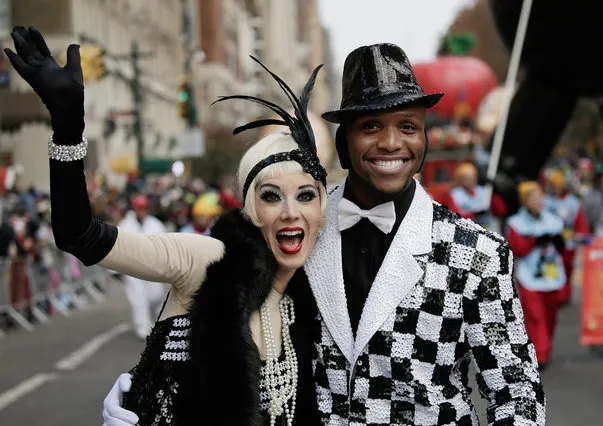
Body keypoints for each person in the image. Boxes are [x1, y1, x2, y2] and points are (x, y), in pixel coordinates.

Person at [105, 42, 545, 425]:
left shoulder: (479, 253)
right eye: (371, 126)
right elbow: (217, 315)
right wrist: (145, 393)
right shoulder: (297, 228)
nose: (392, 142)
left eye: (408, 126)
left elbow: (516, 390)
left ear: (425, 138)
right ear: (344, 142)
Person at [5, 26, 328, 426]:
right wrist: (68, 125)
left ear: (322, 211)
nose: (291, 212)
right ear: (250, 208)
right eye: (271, 196)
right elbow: (81, 236)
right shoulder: (209, 260)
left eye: (306, 196)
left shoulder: (310, 303)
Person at [506, 182, 565, 370]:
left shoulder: (553, 220)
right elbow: (517, 248)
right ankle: (539, 354)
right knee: (535, 316)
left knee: (550, 316)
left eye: (540, 197)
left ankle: (545, 346)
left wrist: (559, 241)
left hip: (552, 275)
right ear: (525, 201)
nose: (539, 201)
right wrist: (535, 240)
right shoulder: (515, 223)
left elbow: (565, 247)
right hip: (529, 276)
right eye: (533, 198)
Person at [118, 194, 169, 339]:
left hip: (152, 266)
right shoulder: (125, 225)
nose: (140, 211)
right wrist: (118, 269)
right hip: (132, 268)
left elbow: (165, 245)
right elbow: (119, 247)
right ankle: (143, 328)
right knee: (138, 299)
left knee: (156, 295)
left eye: (143, 208)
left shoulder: (156, 224)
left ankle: (153, 320)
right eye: (138, 208)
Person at [543, 169, 589, 305]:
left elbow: (580, 222)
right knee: (551, 266)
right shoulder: (545, 200)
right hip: (551, 242)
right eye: (554, 185)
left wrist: (581, 234)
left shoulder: (573, 202)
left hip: (568, 242)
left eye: (558, 185)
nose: (556, 188)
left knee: (567, 267)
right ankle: (553, 293)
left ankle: (564, 295)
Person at [442, 162, 507, 232]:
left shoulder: (484, 191)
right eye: (466, 178)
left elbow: (501, 211)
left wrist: (495, 194)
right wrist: (474, 214)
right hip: (467, 230)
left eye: (472, 177)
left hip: (487, 229)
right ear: (460, 179)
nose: (470, 181)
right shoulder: (455, 194)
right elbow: (455, 216)